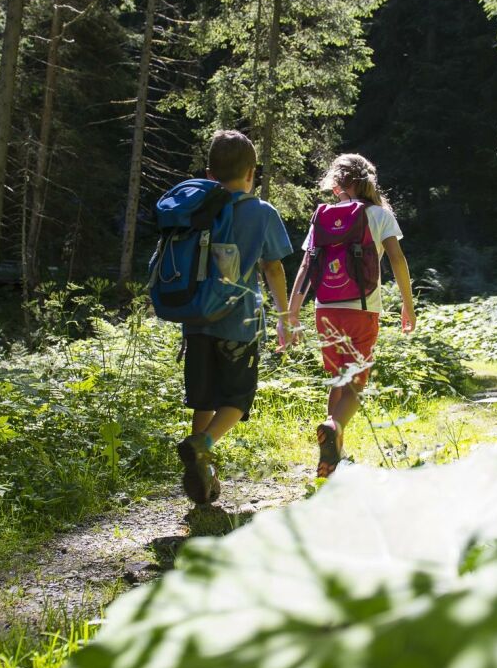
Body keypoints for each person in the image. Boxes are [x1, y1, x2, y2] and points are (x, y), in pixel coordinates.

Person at [175, 130, 294, 504]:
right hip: (239, 323)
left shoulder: (196, 209)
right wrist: (285, 316)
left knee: (204, 398)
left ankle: (202, 475)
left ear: (210, 174)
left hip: (196, 320)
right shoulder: (261, 212)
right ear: (251, 173)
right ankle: (202, 444)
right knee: (238, 398)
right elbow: (273, 267)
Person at [288, 153, 415, 478]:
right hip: (361, 310)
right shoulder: (380, 215)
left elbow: (306, 265)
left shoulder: (323, 217)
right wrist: (407, 303)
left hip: (325, 309)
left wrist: (292, 311)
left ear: (336, 185)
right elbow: (397, 260)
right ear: (368, 182)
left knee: (338, 379)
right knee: (356, 385)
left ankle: (335, 456)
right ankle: (333, 427)